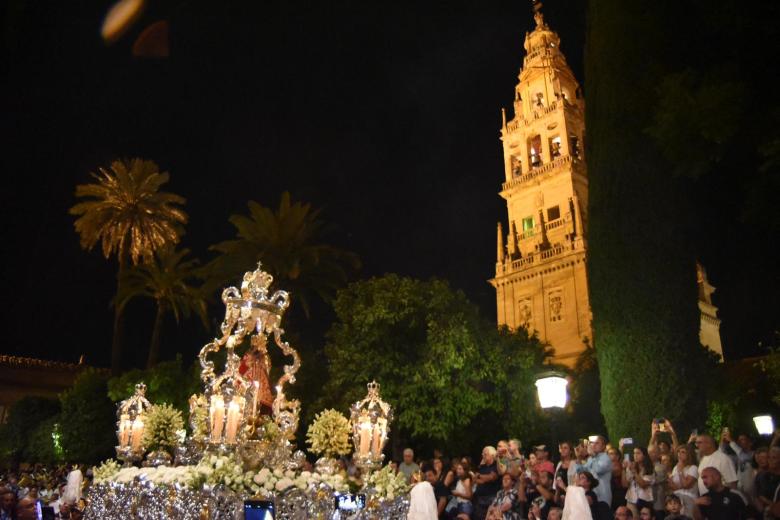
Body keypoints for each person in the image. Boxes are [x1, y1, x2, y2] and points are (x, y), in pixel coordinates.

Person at [623, 447, 655, 517]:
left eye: (638, 453)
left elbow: (643, 484)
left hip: (645, 501)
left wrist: (634, 472)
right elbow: (625, 485)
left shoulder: (649, 469)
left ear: (644, 455)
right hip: (631, 500)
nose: (635, 455)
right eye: (634, 453)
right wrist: (624, 469)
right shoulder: (631, 466)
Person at [667, 443, 698, 517]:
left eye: (683, 452)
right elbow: (672, 486)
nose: (679, 454)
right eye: (678, 452)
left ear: (689, 454)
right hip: (677, 500)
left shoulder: (693, 468)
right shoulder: (675, 467)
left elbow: (686, 485)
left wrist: (681, 471)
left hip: (689, 500)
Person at [585, 436, 614, 507]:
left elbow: (598, 470)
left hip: (602, 494)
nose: (594, 445)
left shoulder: (606, 458)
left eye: (597, 443)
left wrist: (592, 456)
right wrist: (579, 458)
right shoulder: (591, 458)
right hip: (591, 493)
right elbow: (584, 472)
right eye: (592, 443)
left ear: (604, 446)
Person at [473, 447, 500, 520]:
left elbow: (492, 477)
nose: (482, 455)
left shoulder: (496, 465)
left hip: (491, 498)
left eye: (485, 454)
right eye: (482, 454)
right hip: (480, 498)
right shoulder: (482, 466)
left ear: (492, 455)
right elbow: (475, 480)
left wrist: (479, 476)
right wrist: (484, 478)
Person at [756, 446, 780, 515]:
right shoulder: (761, 476)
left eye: (774, 458)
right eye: (769, 457)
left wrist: (769, 504)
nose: (770, 460)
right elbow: (758, 496)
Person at [647, 445, 668, 520]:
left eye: (653, 452)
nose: (649, 454)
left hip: (657, 503)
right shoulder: (644, 467)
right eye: (648, 452)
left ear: (659, 454)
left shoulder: (661, 467)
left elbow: (652, 481)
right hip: (647, 502)